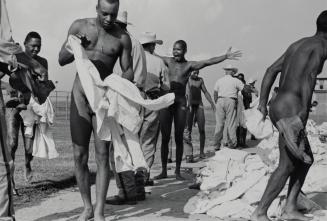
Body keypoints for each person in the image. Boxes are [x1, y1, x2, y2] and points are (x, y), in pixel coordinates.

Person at [58, 0, 133, 220]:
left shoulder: (122, 38)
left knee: (102, 157)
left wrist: (116, 84)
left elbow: (127, 71)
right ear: (97, 9)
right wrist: (75, 46)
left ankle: (99, 210)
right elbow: (61, 60)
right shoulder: (79, 26)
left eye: (114, 14)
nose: (109, 19)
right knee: (79, 156)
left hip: (103, 102)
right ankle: (87, 208)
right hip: (80, 99)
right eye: (105, 14)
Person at [251, 10, 327, 221]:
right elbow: (310, 77)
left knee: (305, 159)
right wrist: (303, 110)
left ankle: (290, 207)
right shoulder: (321, 47)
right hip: (291, 110)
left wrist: (263, 105)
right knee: (287, 164)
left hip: (278, 106)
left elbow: (270, 70)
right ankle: (259, 212)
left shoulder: (298, 44)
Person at [155, 41, 241, 180]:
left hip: (180, 102)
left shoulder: (189, 65)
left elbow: (208, 62)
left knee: (179, 136)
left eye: (179, 50)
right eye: (174, 49)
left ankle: (177, 171)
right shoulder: (168, 61)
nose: (175, 52)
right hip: (167, 101)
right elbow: (152, 54)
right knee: (165, 137)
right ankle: (164, 171)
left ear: (185, 51)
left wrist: (225, 56)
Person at [107, 10, 148, 205]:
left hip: (124, 94)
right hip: (137, 95)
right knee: (134, 145)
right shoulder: (137, 43)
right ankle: (138, 189)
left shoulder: (121, 42)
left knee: (119, 145)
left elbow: (122, 74)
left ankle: (127, 192)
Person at [6, 32, 48, 192]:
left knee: (30, 148)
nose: (36, 49)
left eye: (39, 46)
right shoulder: (14, 56)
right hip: (13, 106)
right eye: (33, 46)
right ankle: (11, 182)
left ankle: (27, 164)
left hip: (31, 106)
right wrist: (9, 85)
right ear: (24, 44)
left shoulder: (42, 62)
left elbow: (44, 83)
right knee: (12, 144)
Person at [139, 32, 169, 184]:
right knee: (149, 139)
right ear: (151, 46)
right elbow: (166, 86)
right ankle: (144, 174)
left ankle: (131, 175)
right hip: (151, 100)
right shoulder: (158, 62)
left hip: (133, 100)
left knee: (132, 137)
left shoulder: (132, 59)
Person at [183, 70, 216, 162]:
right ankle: (189, 154)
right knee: (188, 130)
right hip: (189, 106)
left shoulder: (200, 80)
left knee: (202, 129)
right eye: (194, 72)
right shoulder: (187, 80)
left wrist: (212, 102)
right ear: (190, 72)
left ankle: (201, 152)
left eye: (198, 73)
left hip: (199, 105)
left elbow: (205, 92)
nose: (196, 74)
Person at [212, 64, 244, 150]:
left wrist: (217, 102)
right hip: (231, 100)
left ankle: (216, 145)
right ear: (232, 72)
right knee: (231, 123)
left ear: (226, 71)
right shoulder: (235, 81)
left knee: (219, 124)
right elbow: (243, 89)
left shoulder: (219, 80)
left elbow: (215, 93)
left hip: (220, 100)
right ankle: (232, 143)